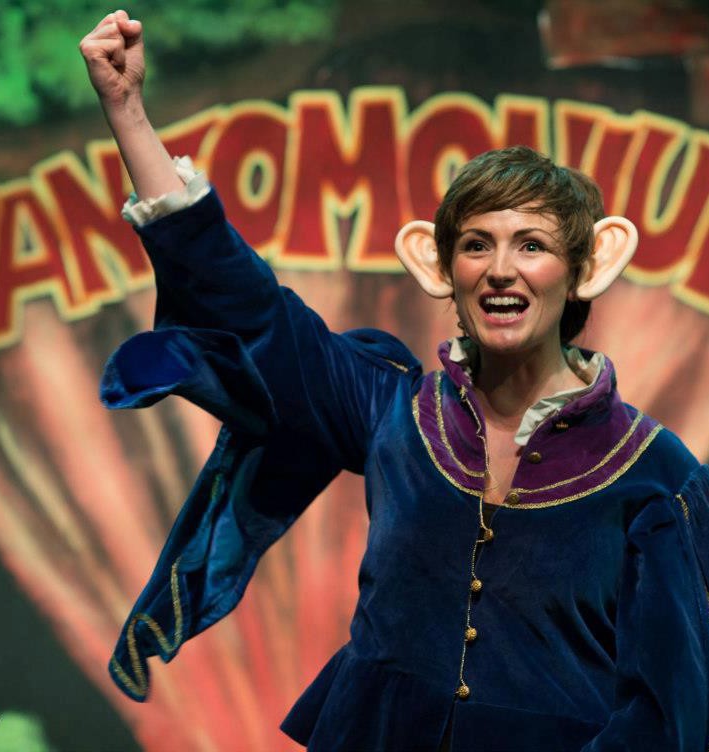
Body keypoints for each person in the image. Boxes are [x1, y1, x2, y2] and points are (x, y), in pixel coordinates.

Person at [81, 10, 709, 751]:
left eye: (531, 245)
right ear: (440, 268)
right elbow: (250, 317)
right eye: (475, 245)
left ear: (583, 269)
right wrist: (128, 113)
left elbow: (666, 710)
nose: (500, 269)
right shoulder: (395, 410)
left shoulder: (655, 475)